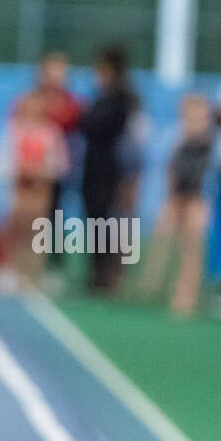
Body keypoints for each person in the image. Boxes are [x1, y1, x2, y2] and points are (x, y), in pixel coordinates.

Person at [141, 94, 213, 317]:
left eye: (198, 118)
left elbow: (209, 174)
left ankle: (185, 295)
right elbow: (170, 169)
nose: (192, 123)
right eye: (188, 117)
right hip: (176, 196)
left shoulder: (211, 143)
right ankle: (151, 285)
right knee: (161, 238)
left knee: (191, 246)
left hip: (197, 198)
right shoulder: (175, 138)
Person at [78, 44, 139, 293]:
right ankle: (97, 274)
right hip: (95, 167)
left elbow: (96, 126)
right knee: (95, 219)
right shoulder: (103, 97)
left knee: (111, 221)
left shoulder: (122, 99)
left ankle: (110, 276)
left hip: (112, 168)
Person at [4, 90, 69, 289]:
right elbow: (9, 159)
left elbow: (59, 165)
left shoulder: (50, 132)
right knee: (18, 230)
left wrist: (38, 171)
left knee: (38, 232)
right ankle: (13, 270)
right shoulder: (16, 130)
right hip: (21, 190)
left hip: (40, 191)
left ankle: (34, 273)